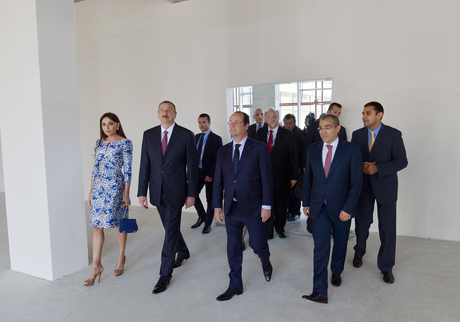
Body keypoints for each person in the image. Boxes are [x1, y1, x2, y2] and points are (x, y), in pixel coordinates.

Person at [138, 101, 198, 294]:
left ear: (175, 114)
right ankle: (184, 251)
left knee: (169, 232)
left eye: (169, 110)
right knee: (169, 226)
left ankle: (165, 275)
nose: (165, 113)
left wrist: (192, 194)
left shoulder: (186, 135)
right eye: (162, 110)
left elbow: (192, 168)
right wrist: (141, 192)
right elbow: (144, 165)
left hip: (177, 192)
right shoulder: (148, 135)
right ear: (157, 114)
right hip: (156, 192)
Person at [213, 111, 273, 301]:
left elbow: (266, 178)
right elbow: (218, 181)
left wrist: (266, 205)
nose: (232, 126)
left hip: (254, 207)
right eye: (230, 122)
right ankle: (235, 285)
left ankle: (266, 261)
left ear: (247, 126)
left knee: (257, 244)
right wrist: (217, 206)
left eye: (237, 122)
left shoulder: (258, 148)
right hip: (232, 207)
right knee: (233, 247)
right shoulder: (223, 151)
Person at [302, 114, 362, 304]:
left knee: (341, 242)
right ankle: (319, 290)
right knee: (320, 247)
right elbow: (308, 179)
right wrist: (306, 202)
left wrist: (349, 207)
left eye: (327, 127)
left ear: (337, 128)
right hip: (319, 206)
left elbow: (356, 182)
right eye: (320, 128)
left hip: (342, 208)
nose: (323, 131)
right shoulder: (312, 150)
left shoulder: (351, 150)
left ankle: (336, 271)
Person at [351, 101, 408, 284]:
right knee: (362, 224)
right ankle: (359, 253)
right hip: (364, 188)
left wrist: (379, 169)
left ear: (379, 115)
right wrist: (361, 167)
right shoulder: (357, 135)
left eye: (368, 113)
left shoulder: (393, 134)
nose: (364, 116)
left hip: (386, 188)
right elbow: (352, 160)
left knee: (387, 229)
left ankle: (386, 267)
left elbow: (402, 161)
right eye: (363, 113)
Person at [85, 112, 133, 286]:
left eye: (110, 124)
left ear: (117, 124)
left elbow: (128, 170)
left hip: (116, 188)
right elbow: (94, 169)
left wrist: (127, 193)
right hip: (99, 188)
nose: (107, 127)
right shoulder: (99, 143)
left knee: (120, 223)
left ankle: (121, 257)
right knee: (97, 226)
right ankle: (96, 266)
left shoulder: (125, 143)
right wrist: (91, 191)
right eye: (104, 124)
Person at [304, 102, 348, 233]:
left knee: (340, 241)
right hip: (318, 186)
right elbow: (307, 147)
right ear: (328, 111)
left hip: (338, 195)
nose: (337, 115)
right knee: (320, 241)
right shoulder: (313, 128)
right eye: (335, 112)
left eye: (339, 113)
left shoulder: (344, 134)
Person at [257, 108, 298, 239]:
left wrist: (294, 176)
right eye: (269, 117)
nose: (272, 119)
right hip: (264, 176)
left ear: (278, 117)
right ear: (265, 120)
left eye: (274, 117)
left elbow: (294, 156)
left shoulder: (287, 134)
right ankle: (268, 231)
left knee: (281, 203)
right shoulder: (261, 132)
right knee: (267, 203)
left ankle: (280, 227)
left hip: (283, 176)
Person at [191, 113, 223, 234]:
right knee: (192, 194)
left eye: (204, 122)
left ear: (209, 123)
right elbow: (192, 156)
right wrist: (190, 171)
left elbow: (218, 159)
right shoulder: (196, 137)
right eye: (199, 122)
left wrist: (211, 174)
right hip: (197, 172)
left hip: (209, 174)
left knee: (210, 200)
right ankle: (202, 215)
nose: (202, 125)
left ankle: (208, 223)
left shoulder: (216, 138)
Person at [283, 113, 306, 222]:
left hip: (296, 167)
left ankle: (296, 211)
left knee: (295, 192)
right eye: (286, 123)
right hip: (285, 167)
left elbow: (301, 152)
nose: (288, 126)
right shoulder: (283, 132)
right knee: (287, 192)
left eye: (290, 123)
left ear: (295, 123)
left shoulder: (298, 133)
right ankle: (288, 210)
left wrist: (300, 167)